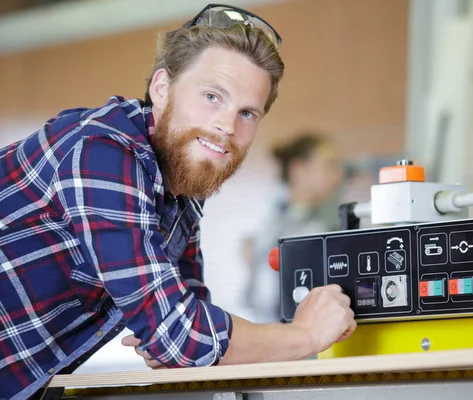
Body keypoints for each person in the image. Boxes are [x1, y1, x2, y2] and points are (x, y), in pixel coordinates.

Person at [0, 4, 356, 399]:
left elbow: (187, 321)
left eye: (248, 113)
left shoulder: (181, 190)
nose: (227, 126)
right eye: (212, 96)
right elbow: (178, 335)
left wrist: (183, 336)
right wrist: (304, 335)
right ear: (161, 89)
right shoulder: (101, 154)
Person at [243, 133, 345, 323]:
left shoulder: (274, 225)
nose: (337, 176)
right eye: (329, 166)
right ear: (298, 170)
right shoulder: (293, 231)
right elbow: (266, 299)